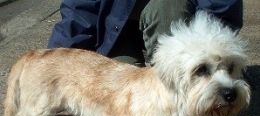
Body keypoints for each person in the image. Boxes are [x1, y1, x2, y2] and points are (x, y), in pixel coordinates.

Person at [48, 0, 243, 65]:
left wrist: (215, 55)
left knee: (167, 6)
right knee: (117, 96)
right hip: (118, 30)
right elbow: (80, 9)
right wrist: (55, 64)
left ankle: (178, 81)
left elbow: (219, 6)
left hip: (176, 25)